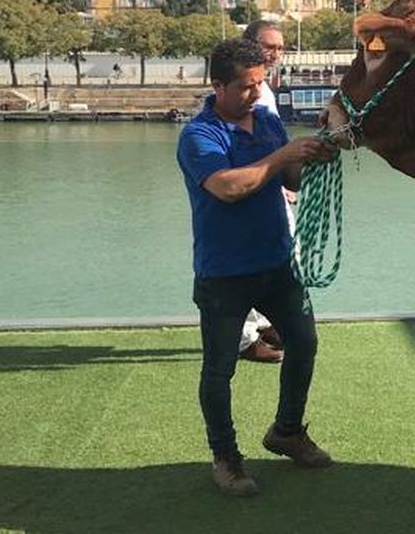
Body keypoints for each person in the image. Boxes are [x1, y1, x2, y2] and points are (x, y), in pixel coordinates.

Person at [177, 37, 339, 496]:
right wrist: (283, 156)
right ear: (218, 85)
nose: (256, 92)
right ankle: (225, 458)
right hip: (223, 274)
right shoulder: (198, 136)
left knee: (304, 343)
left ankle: (287, 431)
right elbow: (227, 187)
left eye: (260, 82)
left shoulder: (267, 121)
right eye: (246, 86)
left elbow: (289, 178)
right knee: (219, 369)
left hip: (277, 264)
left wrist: (313, 157)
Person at [234, 21, 292, 364]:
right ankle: (244, 339)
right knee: (245, 262)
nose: (275, 53)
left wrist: (282, 182)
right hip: (251, 189)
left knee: (278, 256)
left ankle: (265, 323)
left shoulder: (265, 87)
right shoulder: (248, 90)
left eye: (280, 47)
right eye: (268, 46)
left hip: (268, 187)